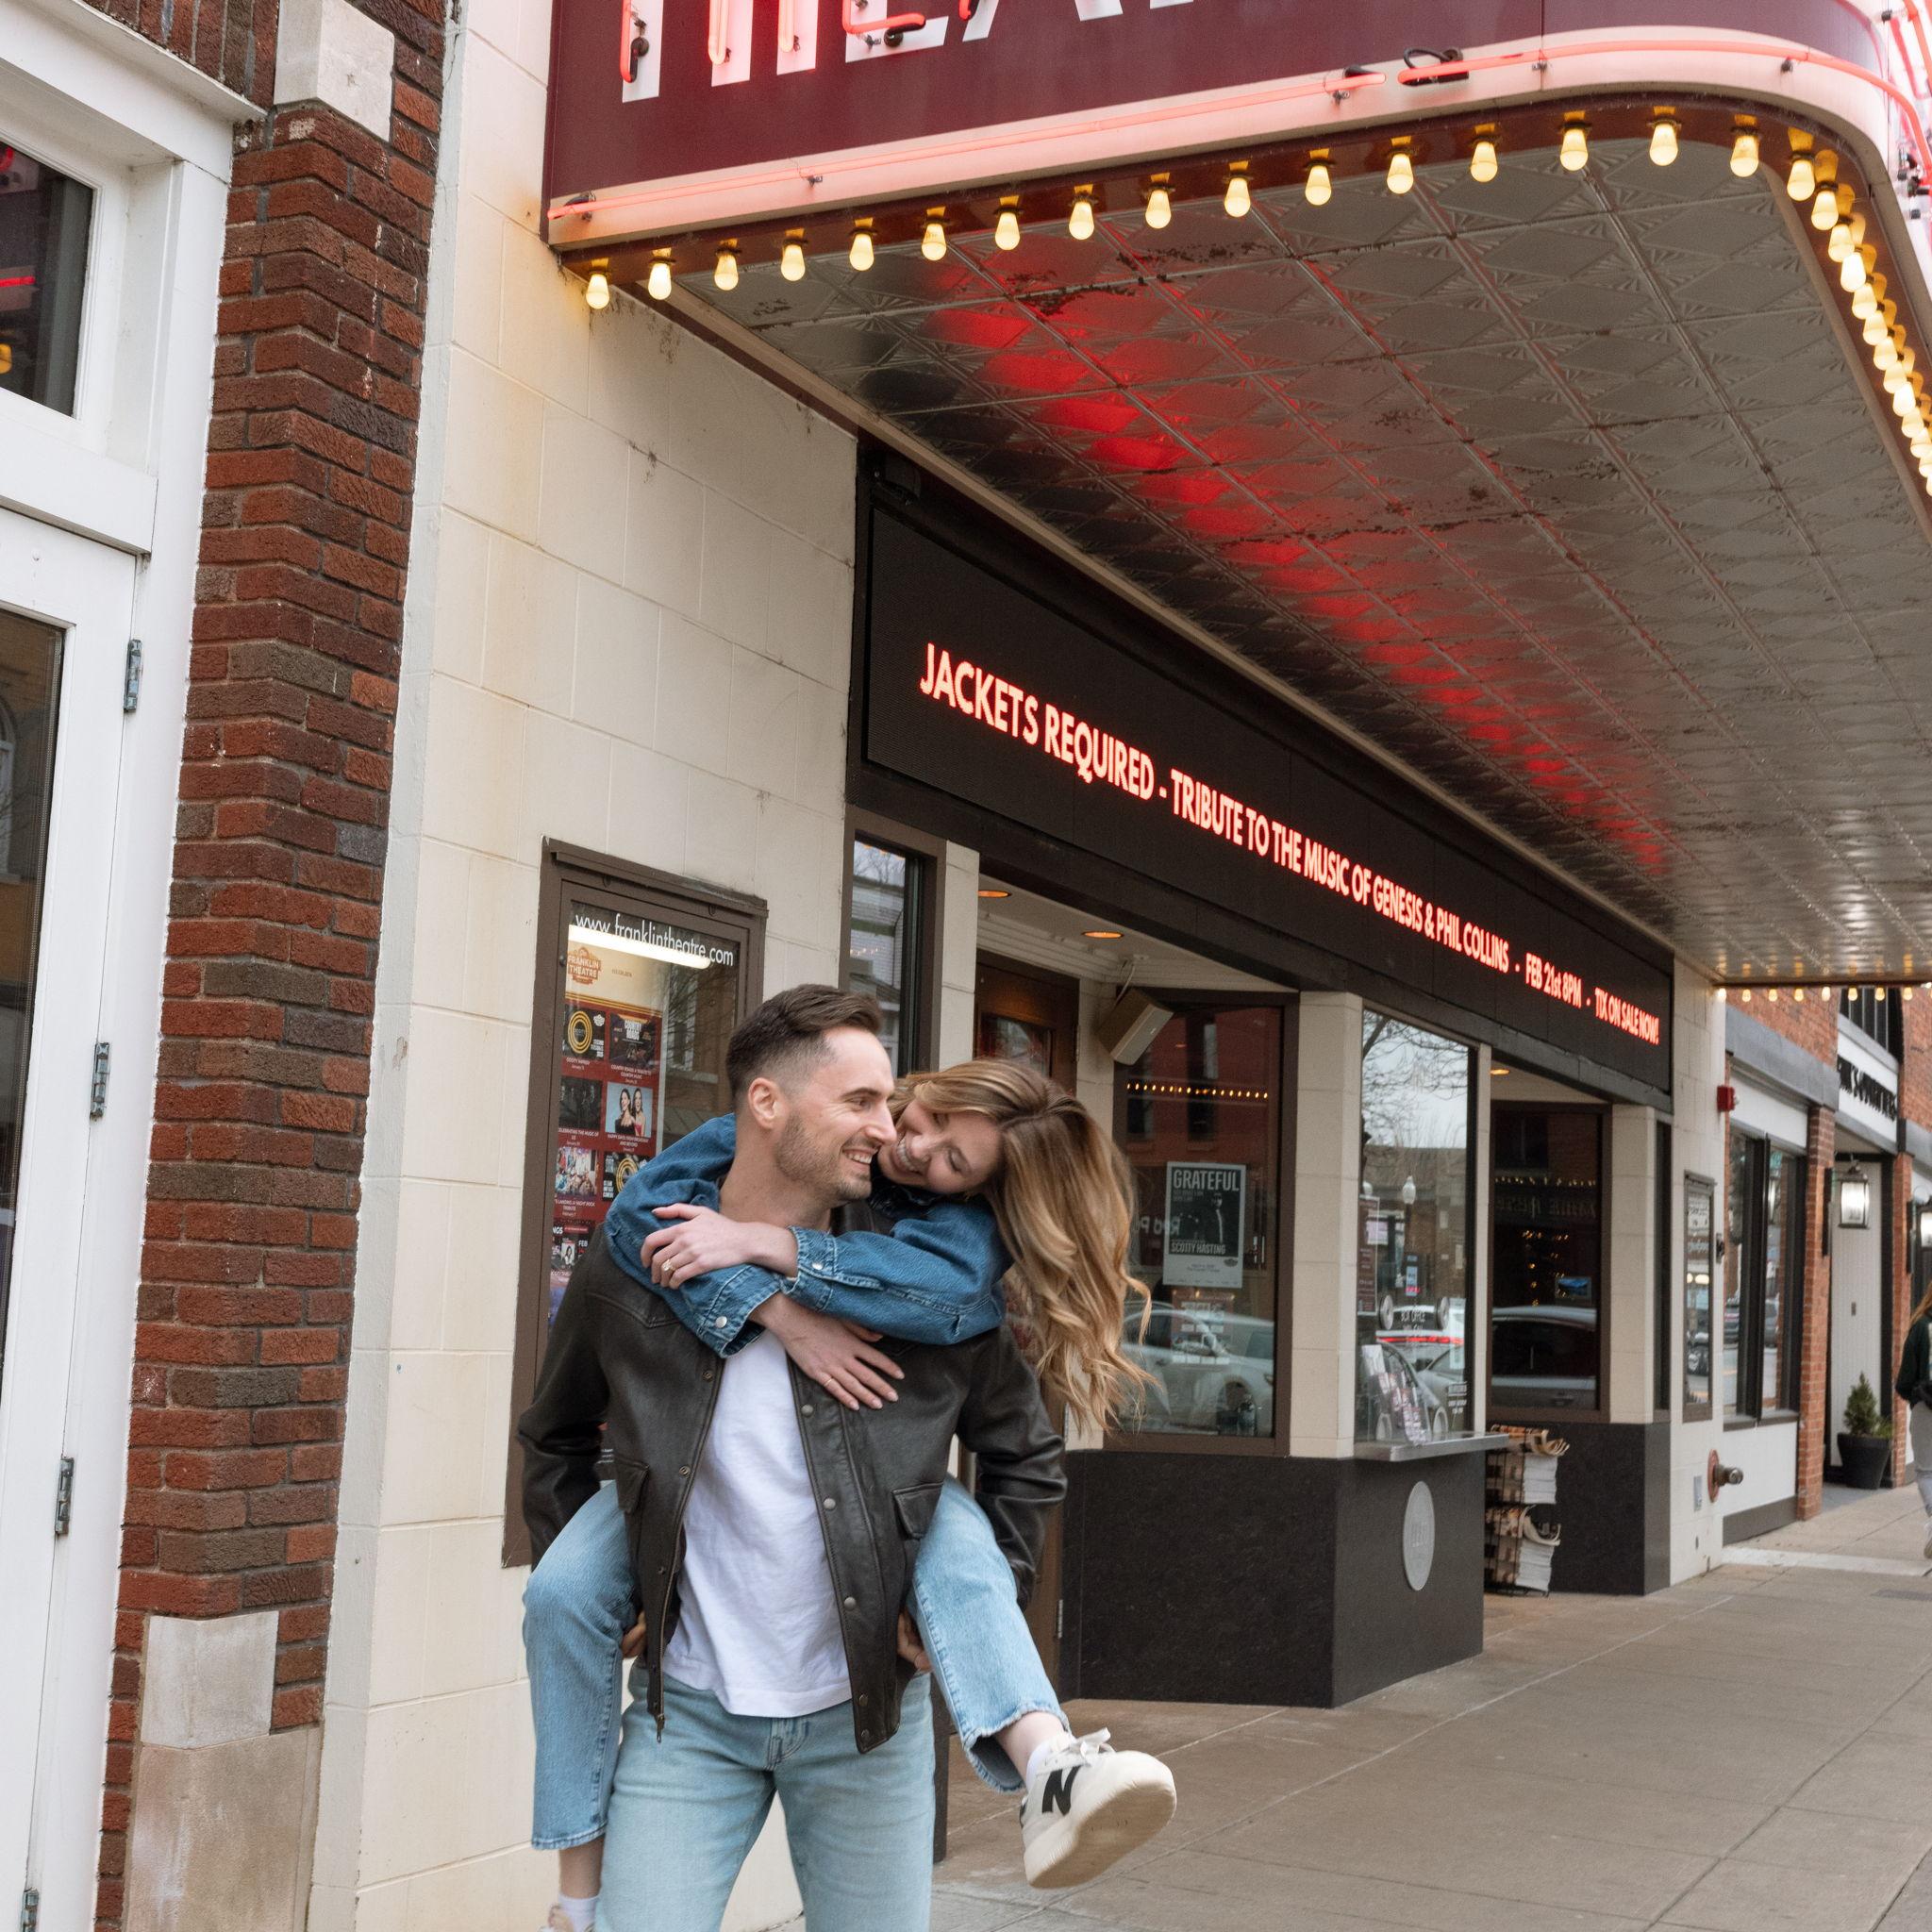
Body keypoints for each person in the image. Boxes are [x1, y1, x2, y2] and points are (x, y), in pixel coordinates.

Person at [523, 1049, 1178, 1932]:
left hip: (867, 1721)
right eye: (877, 1107)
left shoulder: (932, 1287)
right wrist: (615, 1583)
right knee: (560, 1598)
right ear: (772, 1107)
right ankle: (575, 1895)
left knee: (949, 1524)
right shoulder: (654, 1254)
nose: (898, 1139)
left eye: (950, 1158)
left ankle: (1050, 1762)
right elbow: (555, 1433)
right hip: (692, 1717)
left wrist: (963, 1607)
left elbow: (1024, 1457)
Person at [1894, 1279, 1932, 1559]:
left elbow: (1904, 1381)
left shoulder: (1920, 1327)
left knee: (1926, 1472)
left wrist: (1916, 1398)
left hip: (1927, 1408)